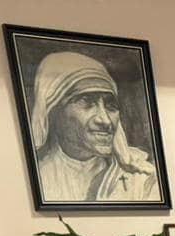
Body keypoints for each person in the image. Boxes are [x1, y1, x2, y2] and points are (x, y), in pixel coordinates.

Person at [29, 51, 159, 203]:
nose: (105, 120)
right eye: (86, 102)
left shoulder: (142, 178)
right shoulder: (36, 176)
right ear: (53, 111)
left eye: (111, 106)